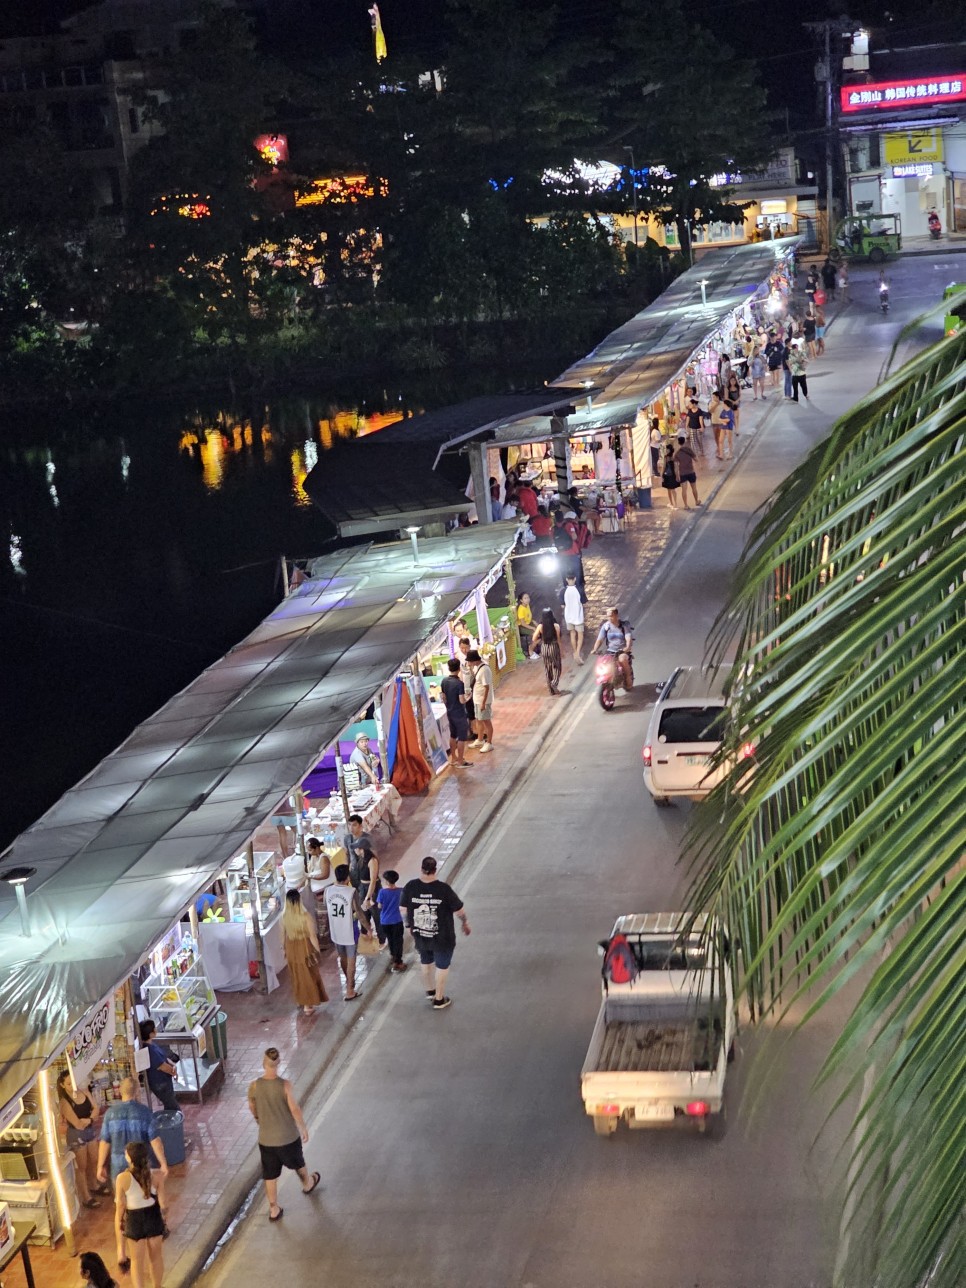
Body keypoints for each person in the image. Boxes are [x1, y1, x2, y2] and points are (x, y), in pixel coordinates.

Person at [248, 1047, 320, 1223]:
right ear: (278, 1063)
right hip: (288, 1137)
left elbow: (252, 1106)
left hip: (266, 1140)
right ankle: (307, 1183)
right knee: (298, 1163)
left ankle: (273, 1208)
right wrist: (302, 1127)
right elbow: (294, 1109)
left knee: (270, 1175)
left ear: (263, 1063)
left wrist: (258, 1119)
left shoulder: (254, 1086)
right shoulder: (285, 1085)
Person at [400, 856, 471, 1011]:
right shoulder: (443, 889)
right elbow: (459, 910)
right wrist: (465, 923)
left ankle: (430, 990)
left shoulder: (411, 886)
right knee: (442, 966)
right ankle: (439, 999)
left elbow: (403, 909)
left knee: (425, 961)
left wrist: (408, 925)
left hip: (420, 933)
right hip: (442, 936)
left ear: (421, 869)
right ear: (435, 870)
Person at [114, 1142, 165, 1288]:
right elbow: (164, 1204)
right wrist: (164, 1219)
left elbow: (121, 1206)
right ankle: (158, 1286)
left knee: (136, 1262)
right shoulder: (156, 1175)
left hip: (134, 1221)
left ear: (130, 1159)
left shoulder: (122, 1178)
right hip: (153, 1217)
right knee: (156, 1258)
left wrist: (119, 1223)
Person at [57, 1071, 107, 1208]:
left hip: (89, 1131)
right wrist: (90, 1118)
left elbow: (96, 1109)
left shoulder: (84, 1091)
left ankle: (94, 1185)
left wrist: (89, 1119)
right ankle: (85, 1196)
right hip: (76, 1136)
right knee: (81, 1167)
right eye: (68, 1084)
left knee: (94, 1159)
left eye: (73, 1082)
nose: (72, 1086)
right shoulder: (64, 1102)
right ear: (62, 1085)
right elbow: (77, 1124)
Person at [324, 864, 374, 1001]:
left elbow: (326, 908)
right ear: (347, 877)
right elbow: (358, 912)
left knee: (342, 957)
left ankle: (348, 981)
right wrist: (368, 927)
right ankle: (350, 989)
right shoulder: (351, 892)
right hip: (349, 930)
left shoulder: (327, 891)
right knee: (352, 959)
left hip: (335, 930)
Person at [281, 888, 328, 1015]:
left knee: (296, 975)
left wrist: (284, 949)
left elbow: (283, 936)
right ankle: (308, 1005)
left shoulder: (284, 917)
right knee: (308, 975)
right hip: (305, 947)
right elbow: (312, 936)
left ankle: (300, 1000)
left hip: (291, 947)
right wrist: (318, 951)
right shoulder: (306, 916)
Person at [137, 1020, 180, 1113]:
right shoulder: (149, 1050)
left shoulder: (151, 1045)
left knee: (169, 1106)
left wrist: (173, 1065)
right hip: (160, 1084)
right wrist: (173, 1071)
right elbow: (162, 1066)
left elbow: (164, 1058)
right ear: (151, 1034)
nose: (156, 1030)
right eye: (154, 1029)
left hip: (164, 1081)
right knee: (173, 1108)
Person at [591, 606, 633, 690]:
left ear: (616, 615)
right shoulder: (606, 626)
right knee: (603, 663)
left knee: (622, 660)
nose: (609, 618)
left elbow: (628, 638)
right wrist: (595, 649)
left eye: (611, 616)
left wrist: (627, 647)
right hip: (610, 651)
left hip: (622, 651)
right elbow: (600, 639)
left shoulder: (623, 625)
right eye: (608, 616)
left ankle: (628, 679)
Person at [441, 656, 471, 767]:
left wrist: (448, 706)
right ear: (459, 669)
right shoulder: (459, 684)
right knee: (462, 737)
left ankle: (453, 758)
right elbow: (462, 700)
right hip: (459, 713)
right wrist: (468, 697)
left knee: (453, 735)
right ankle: (460, 761)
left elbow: (443, 697)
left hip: (450, 712)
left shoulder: (444, 681)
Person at [376, 869, 407, 973]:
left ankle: (394, 958)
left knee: (391, 940)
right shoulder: (401, 891)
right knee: (398, 940)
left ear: (386, 881)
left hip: (385, 921)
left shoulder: (382, 892)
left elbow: (380, 906)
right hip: (397, 920)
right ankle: (399, 962)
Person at [530, 608, 563, 694]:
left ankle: (551, 690)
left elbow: (534, 638)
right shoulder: (556, 626)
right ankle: (554, 683)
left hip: (544, 647)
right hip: (554, 647)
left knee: (548, 668)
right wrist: (561, 651)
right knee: (557, 666)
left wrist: (541, 638)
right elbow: (559, 640)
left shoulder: (540, 626)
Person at [467, 648, 494, 753]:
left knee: (486, 721)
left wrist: (483, 703)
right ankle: (480, 739)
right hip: (477, 699)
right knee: (479, 719)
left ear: (474, 660)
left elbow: (486, 687)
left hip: (483, 701)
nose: (468, 663)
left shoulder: (484, 670)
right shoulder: (477, 667)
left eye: (469, 661)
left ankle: (489, 743)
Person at [562, 573, 584, 664]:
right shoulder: (579, 589)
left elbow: (562, 605)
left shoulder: (563, 591)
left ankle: (575, 651)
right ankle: (578, 653)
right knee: (580, 634)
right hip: (578, 616)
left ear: (566, 579)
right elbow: (583, 601)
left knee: (572, 633)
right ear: (575, 578)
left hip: (569, 617)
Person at [674, 435, 700, 509]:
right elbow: (696, 459)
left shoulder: (676, 453)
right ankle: (697, 501)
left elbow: (676, 466)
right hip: (691, 471)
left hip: (682, 473)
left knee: (684, 490)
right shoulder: (689, 450)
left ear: (678, 443)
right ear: (684, 442)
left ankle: (685, 505)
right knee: (694, 488)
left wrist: (677, 475)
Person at [515, 591, 536, 658]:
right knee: (536, 634)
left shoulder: (527, 605)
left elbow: (528, 617)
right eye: (525, 598)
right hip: (522, 627)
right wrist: (532, 628)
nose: (527, 599)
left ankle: (534, 646)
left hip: (528, 623)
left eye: (528, 598)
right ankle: (531, 651)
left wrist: (534, 622)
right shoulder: (521, 609)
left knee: (541, 629)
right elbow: (523, 623)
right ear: (521, 600)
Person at [661, 439, 679, 508]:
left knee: (669, 489)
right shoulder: (674, 457)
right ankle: (675, 503)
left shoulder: (666, 457)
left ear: (669, 450)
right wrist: (677, 475)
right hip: (673, 475)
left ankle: (671, 503)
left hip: (667, 475)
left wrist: (662, 475)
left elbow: (663, 466)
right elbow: (676, 467)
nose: (666, 450)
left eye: (667, 449)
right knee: (673, 489)